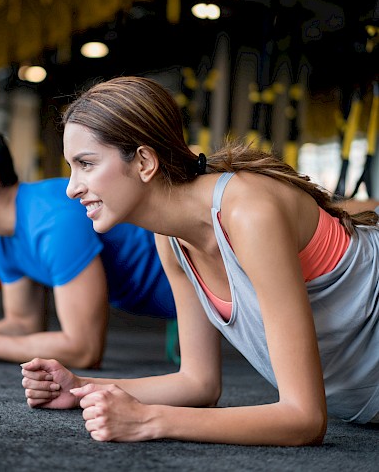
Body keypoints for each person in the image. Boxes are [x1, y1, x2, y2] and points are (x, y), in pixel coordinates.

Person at [21, 76, 379, 446]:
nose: (71, 187)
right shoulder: (171, 238)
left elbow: (304, 419)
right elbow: (198, 384)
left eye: (86, 164)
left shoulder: (248, 214)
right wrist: (81, 388)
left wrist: (148, 420)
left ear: (144, 161)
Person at [0, 127, 175, 367]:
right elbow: (22, 324)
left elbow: (84, 349)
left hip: (205, 288)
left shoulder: (51, 221)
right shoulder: (0, 236)